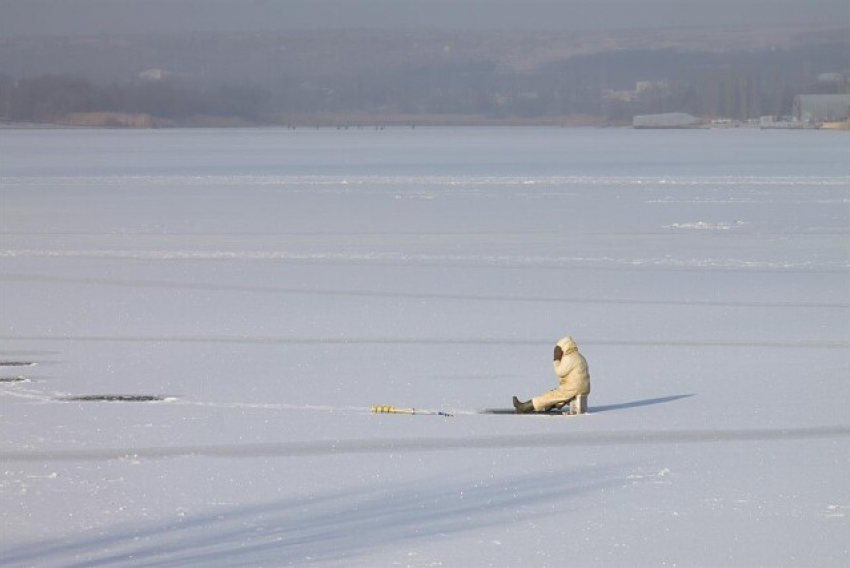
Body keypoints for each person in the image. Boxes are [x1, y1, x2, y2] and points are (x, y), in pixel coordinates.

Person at [513, 335, 590, 413]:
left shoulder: (569, 358)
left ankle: (523, 407)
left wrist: (556, 359)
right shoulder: (579, 356)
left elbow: (559, 372)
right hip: (583, 387)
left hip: (573, 388)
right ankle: (549, 405)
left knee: (549, 396)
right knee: (558, 395)